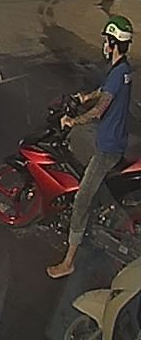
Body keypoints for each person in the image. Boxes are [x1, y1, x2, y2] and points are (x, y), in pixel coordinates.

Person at [47, 16, 134, 278]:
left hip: (108, 147)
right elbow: (105, 91)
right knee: (81, 159)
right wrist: (84, 96)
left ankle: (68, 262)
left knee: (82, 199)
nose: (104, 45)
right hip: (114, 140)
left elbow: (100, 110)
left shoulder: (117, 73)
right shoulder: (123, 69)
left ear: (113, 43)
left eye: (107, 41)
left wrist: (72, 120)